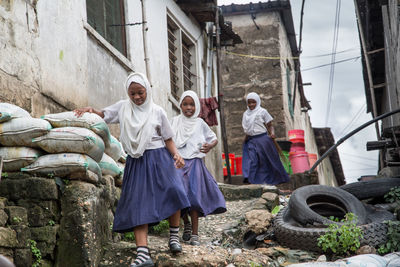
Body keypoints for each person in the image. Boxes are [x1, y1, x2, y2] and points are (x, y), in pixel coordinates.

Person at [74, 73, 190, 267]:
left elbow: (168, 138)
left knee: (174, 191)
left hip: (160, 157)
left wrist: (176, 155)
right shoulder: (123, 108)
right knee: (138, 202)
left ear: (147, 90)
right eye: (132, 93)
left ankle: (174, 236)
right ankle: (143, 254)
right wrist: (90, 110)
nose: (137, 97)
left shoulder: (157, 111)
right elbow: (104, 114)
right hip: (137, 161)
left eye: (140, 92)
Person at [171, 90, 226, 246]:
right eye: (185, 104)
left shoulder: (200, 123)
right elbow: (166, 137)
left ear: (197, 106)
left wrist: (209, 146)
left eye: (192, 104)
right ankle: (185, 223)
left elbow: (213, 138)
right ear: (180, 105)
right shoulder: (174, 122)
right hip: (178, 164)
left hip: (195, 164)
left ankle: (195, 233)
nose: (189, 107)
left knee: (194, 198)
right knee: (179, 196)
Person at [242, 92, 290, 185]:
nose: (251, 105)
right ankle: (251, 180)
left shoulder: (262, 112)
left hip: (263, 140)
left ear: (258, 102)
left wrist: (272, 133)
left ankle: (273, 179)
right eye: (249, 102)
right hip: (251, 140)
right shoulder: (245, 114)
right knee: (252, 160)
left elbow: (270, 125)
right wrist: (245, 139)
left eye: (253, 102)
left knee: (265, 160)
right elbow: (248, 130)